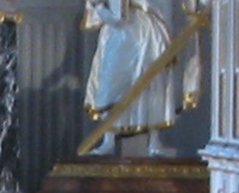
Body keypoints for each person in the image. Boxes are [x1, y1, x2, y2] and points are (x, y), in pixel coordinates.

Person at [83, 0, 195, 157]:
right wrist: (99, 7)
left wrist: (100, 7)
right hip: (119, 32)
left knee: (152, 86)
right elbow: (113, 16)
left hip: (146, 31)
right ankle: (109, 139)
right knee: (111, 86)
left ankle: (154, 141)